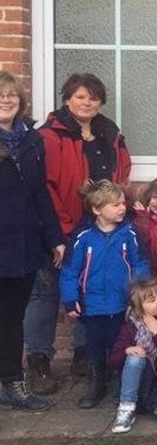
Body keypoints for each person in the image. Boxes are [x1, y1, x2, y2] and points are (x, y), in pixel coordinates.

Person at [27, 72, 131, 394]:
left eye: (93, 97)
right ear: (67, 98)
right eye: (80, 96)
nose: (87, 102)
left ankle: (85, 354)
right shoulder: (50, 134)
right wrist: (59, 233)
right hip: (57, 225)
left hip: (98, 225)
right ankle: (39, 362)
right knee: (46, 294)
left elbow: (122, 170)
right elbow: (46, 186)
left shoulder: (108, 132)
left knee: (90, 287)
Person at [0, 71, 64, 412]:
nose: (6, 100)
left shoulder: (30, 139)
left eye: (11, 95)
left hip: (25, 245)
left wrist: (55, 238)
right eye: (1, 96)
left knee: (12, 317)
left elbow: (40, 194)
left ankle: (12, 383)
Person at [60, 180, 149, 408]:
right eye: (115, 205)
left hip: (122, 303)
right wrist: (70, 300)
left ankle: (120, 383)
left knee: (121, 343)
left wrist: (138, 294)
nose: (121, 208)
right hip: (92, 304)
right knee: (95, 345)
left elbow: (140, 264)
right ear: (97, 209)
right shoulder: (83, 237)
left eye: (122, 203)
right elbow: (70, 271)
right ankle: (96, 384)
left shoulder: (130, 234)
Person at [108, 278, 157, 433]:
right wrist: (127, 350)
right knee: (135, 358)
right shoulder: (130, 328)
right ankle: (127, 407)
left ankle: (144, 404)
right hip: (141, 379)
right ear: (140, 309)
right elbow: (113, 360)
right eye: (152, 300)